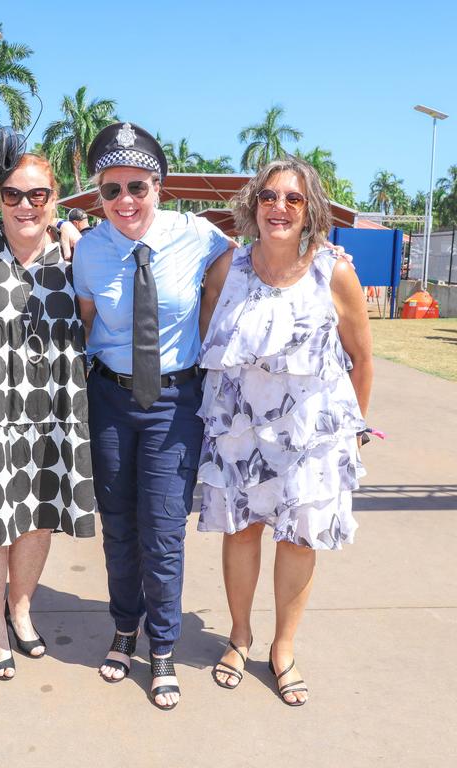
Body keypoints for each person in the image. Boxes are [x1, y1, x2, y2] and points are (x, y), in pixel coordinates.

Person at [73, 121, 237, 710]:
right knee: (118, 523)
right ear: (99, 193)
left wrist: (320, 250)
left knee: (164, 529)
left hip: (175, 402)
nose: (125, 202)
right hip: (112, 400)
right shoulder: (90, 248)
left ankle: (162, 647)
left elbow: (246, 263)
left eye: (137, 186)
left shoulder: (198, 235)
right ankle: (124, 628)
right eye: (111, 190)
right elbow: (90, 321)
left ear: (158, 185)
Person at [197, 157, 373, 706]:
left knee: (298, 540)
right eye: (269, 196)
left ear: (310, 209)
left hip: (309, 438)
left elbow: (361, 358)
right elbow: (211, 343)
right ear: (254, 204)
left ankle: (283, 648)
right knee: (242, 532)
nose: (279, 207)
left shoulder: (335, 273)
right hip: (241, 433)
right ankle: (240, 635)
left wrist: (352, 432)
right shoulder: (228, 269)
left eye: (293, 199)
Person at [0, 128, 95, 680]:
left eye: (37, 195)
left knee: (39, 517)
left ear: (54, 199)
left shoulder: (78, 256)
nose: (25, 205)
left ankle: (22, 611)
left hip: (55, 405)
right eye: (13, 194)